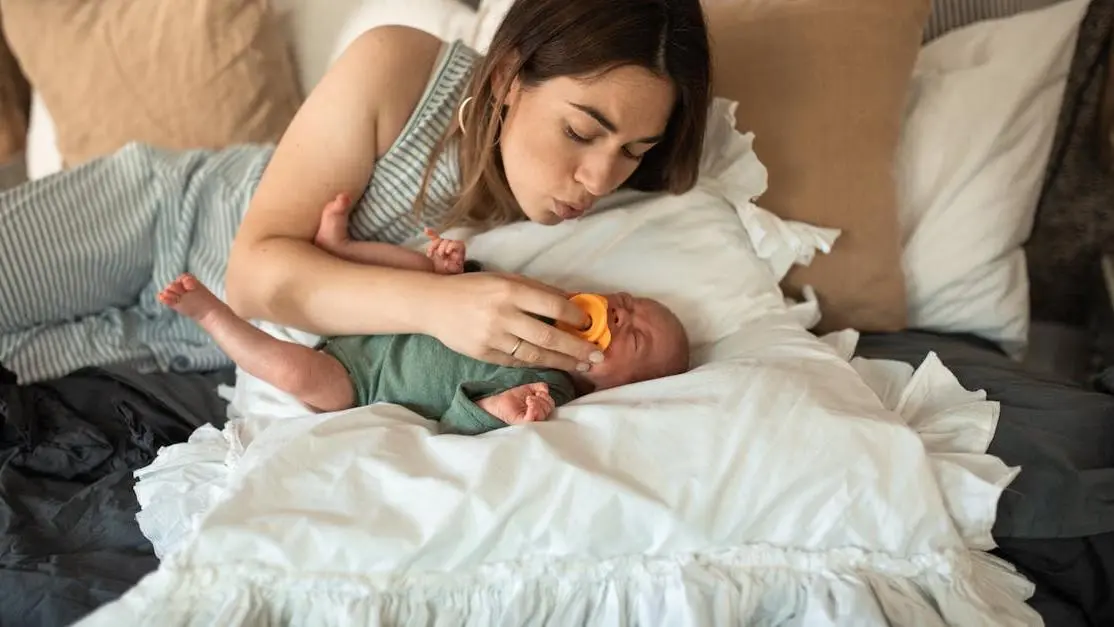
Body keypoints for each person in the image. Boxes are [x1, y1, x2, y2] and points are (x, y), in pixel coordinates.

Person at [0, 0, 712, 384]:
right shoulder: (402, 68)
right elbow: (253, 274)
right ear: (506, 77)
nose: (598, 179)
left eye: (633, 153)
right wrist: (441, 304)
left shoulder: (611, 221)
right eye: (582, 131)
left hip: (192, 347)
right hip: (159, 220)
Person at [155, 203, 691, 434]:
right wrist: (454, 271)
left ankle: (213, 315)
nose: (623, 313)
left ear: (614, 390)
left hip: (361, 382)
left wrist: (497, 409)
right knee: (419, 270)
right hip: (384, 318)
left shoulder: (548, 390)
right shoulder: (542, 301)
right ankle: (340, 247)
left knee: (297, 374)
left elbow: (454, 425)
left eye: (636, 336)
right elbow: (474, 294)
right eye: (628, 301)